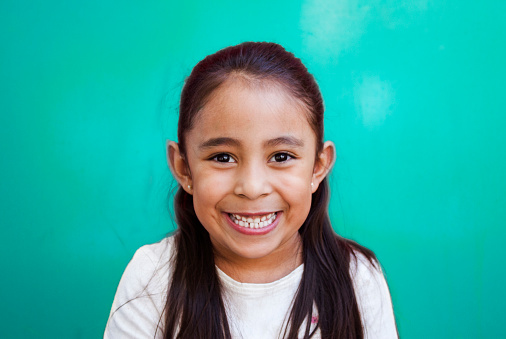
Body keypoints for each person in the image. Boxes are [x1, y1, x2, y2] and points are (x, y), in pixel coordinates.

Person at [104, 42, 398, 339]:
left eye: (281, 157)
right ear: (183, 168)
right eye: (223, 158)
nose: (252, 188)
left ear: (318, 166)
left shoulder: (357, 277)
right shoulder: (152, 278)